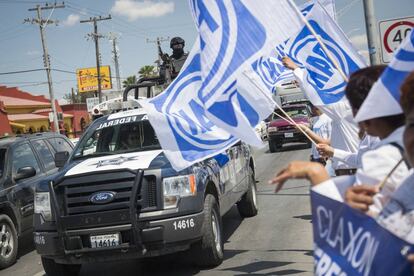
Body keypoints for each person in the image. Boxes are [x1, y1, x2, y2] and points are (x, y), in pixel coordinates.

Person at [269, 65, 410, 215]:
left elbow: (364, 228)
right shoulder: (381, 138)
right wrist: (333, 152)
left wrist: (316, 173)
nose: (355, 115)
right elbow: (360, 160)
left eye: (354, 105)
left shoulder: (388, 151)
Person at [282, 56, 360, 176]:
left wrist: (296, 69)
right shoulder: (355, 110)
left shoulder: (345, 110)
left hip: (350, 175)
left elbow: (317, 99)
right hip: (349, 172)